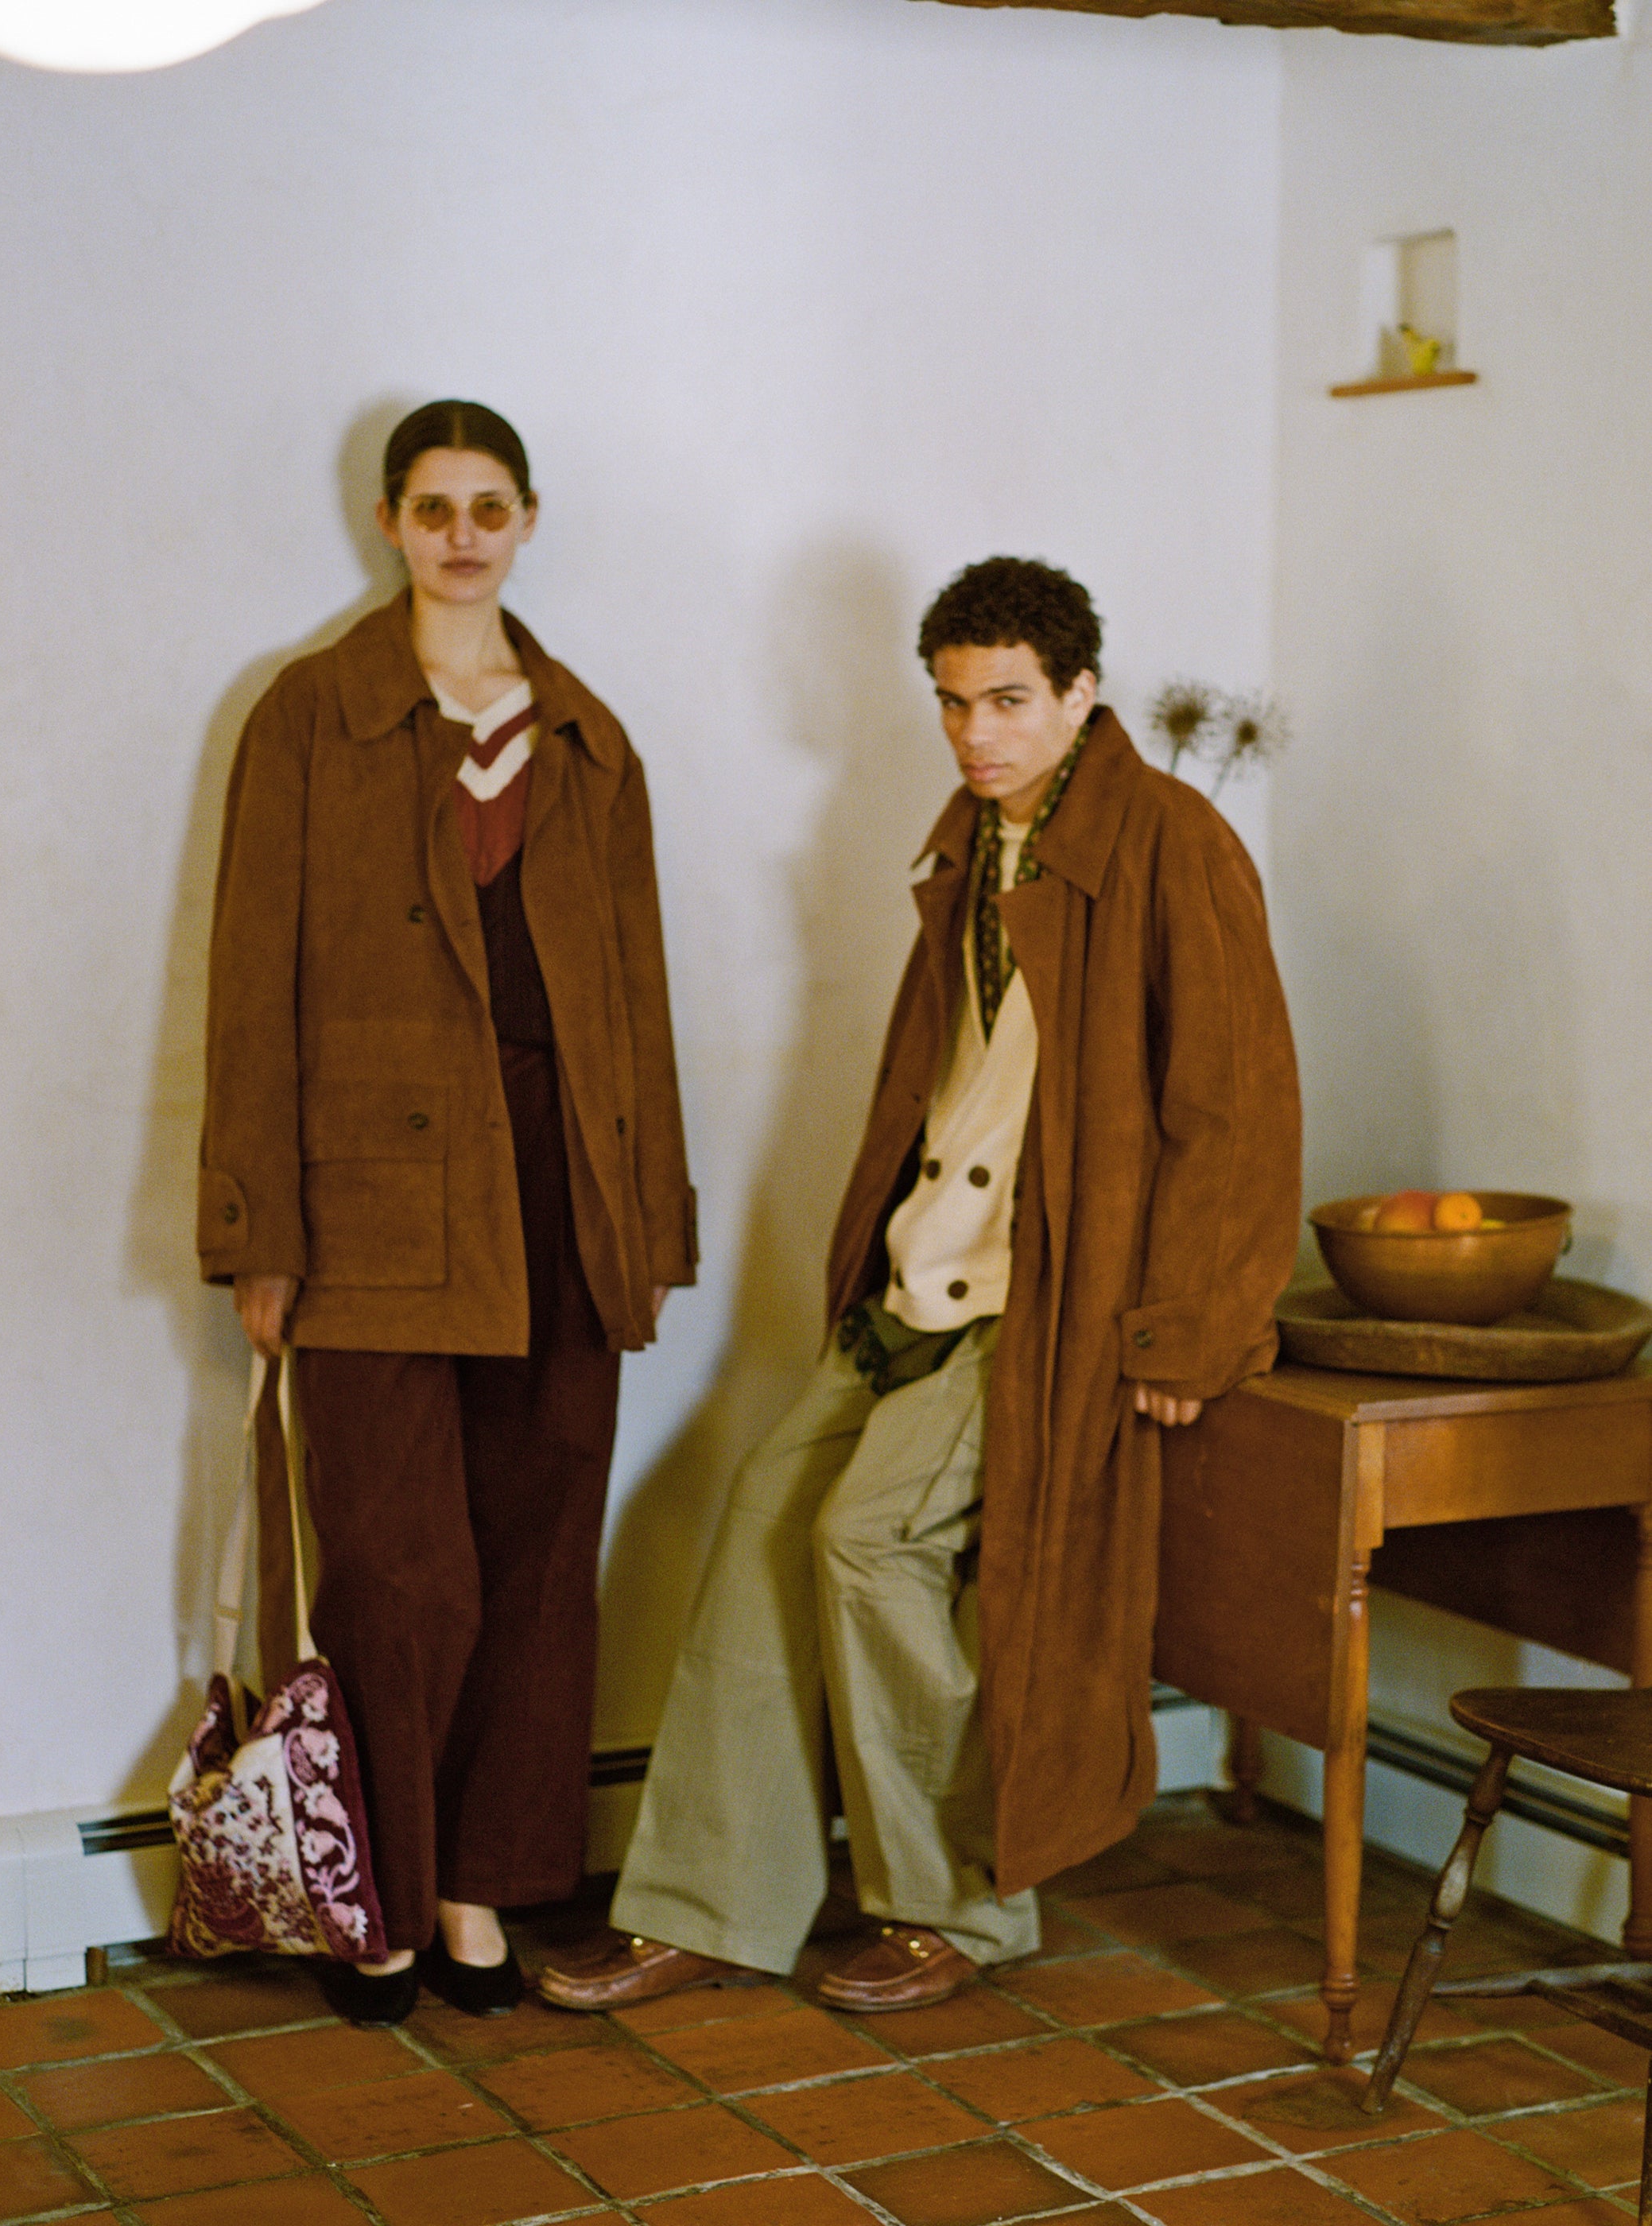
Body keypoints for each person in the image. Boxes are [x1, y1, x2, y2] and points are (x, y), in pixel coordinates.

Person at [541, 556, 1300, 2016]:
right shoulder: (973, 838)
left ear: (1083, 694)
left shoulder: (1173, 844)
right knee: (765, 1519)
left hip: (1049, 1301)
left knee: (869, 1542)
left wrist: (1191, 1329)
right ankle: (711, 1900)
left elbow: (1240, 1106)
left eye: (1009, 701)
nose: (977, 732)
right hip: (918, 1280)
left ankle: (957, 1907)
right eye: (954, 703)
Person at [199, 399, 695, 2026]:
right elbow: (249, 983)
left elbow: (638, 1006)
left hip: (562, 1192)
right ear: (391, 524)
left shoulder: (589, 737)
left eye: (491, 505)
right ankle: (384, 1904)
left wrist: (652, 1223)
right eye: (434, 507)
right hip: (374, 1202)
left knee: (545, 1547)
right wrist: (258, 1225)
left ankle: (484, 1887)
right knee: (400, 1562)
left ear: (530, 520)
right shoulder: (309, 718)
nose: (463, 533)